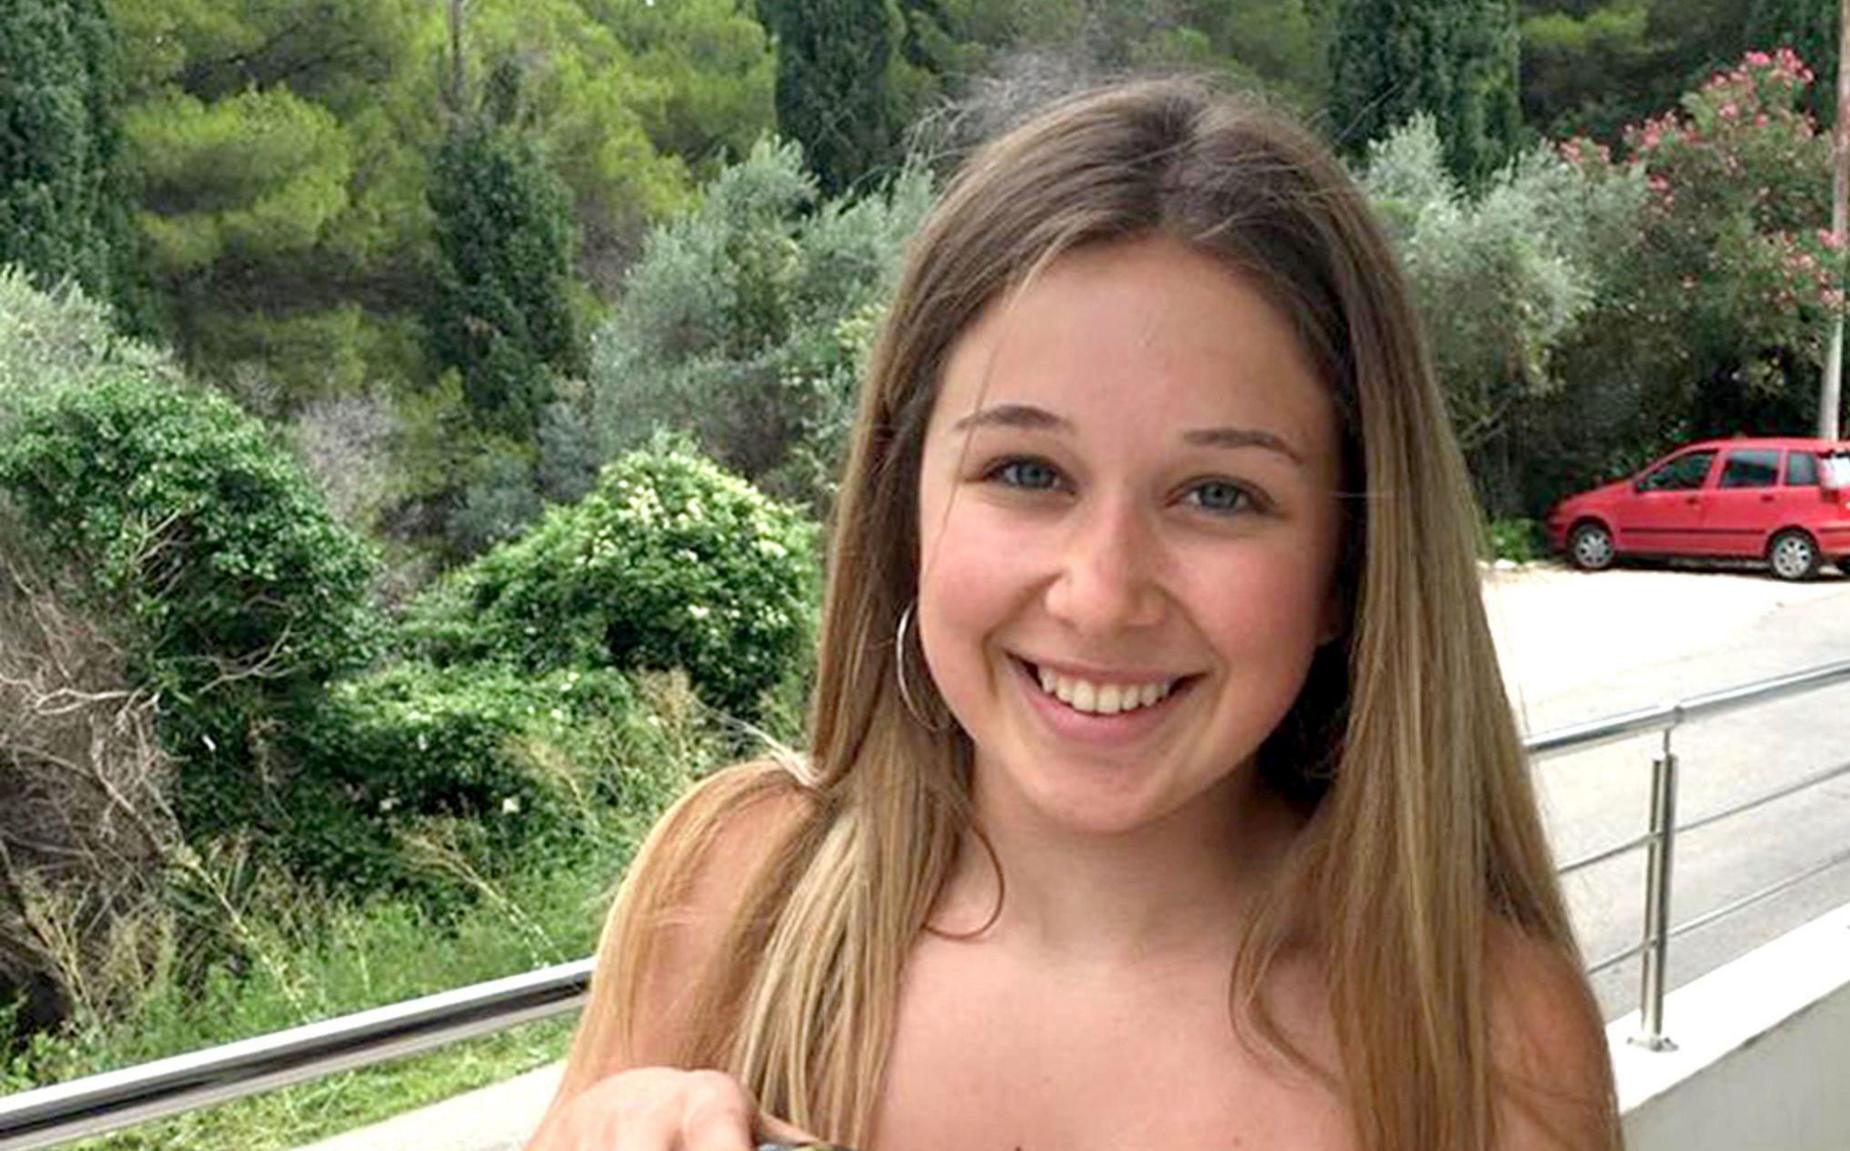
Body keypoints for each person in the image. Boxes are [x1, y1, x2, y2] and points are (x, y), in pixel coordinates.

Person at [527, 76, 1621, 1151]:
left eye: (1218, 495)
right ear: (906, 509)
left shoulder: (1482, 1041)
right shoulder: (732, 893)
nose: (1099, 593)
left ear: (1348, 567)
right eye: (1024, 471)